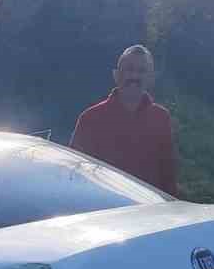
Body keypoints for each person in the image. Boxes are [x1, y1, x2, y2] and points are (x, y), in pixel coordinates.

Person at [70, 45, 179, 196]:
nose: (134, 76)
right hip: (106, 206)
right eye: (129, 69)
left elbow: (168, 175)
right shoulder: (90, 119)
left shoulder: (161, 118)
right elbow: (76, 175)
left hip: (150, 208)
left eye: (141, 71)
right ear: (116, 75)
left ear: (151, 78)